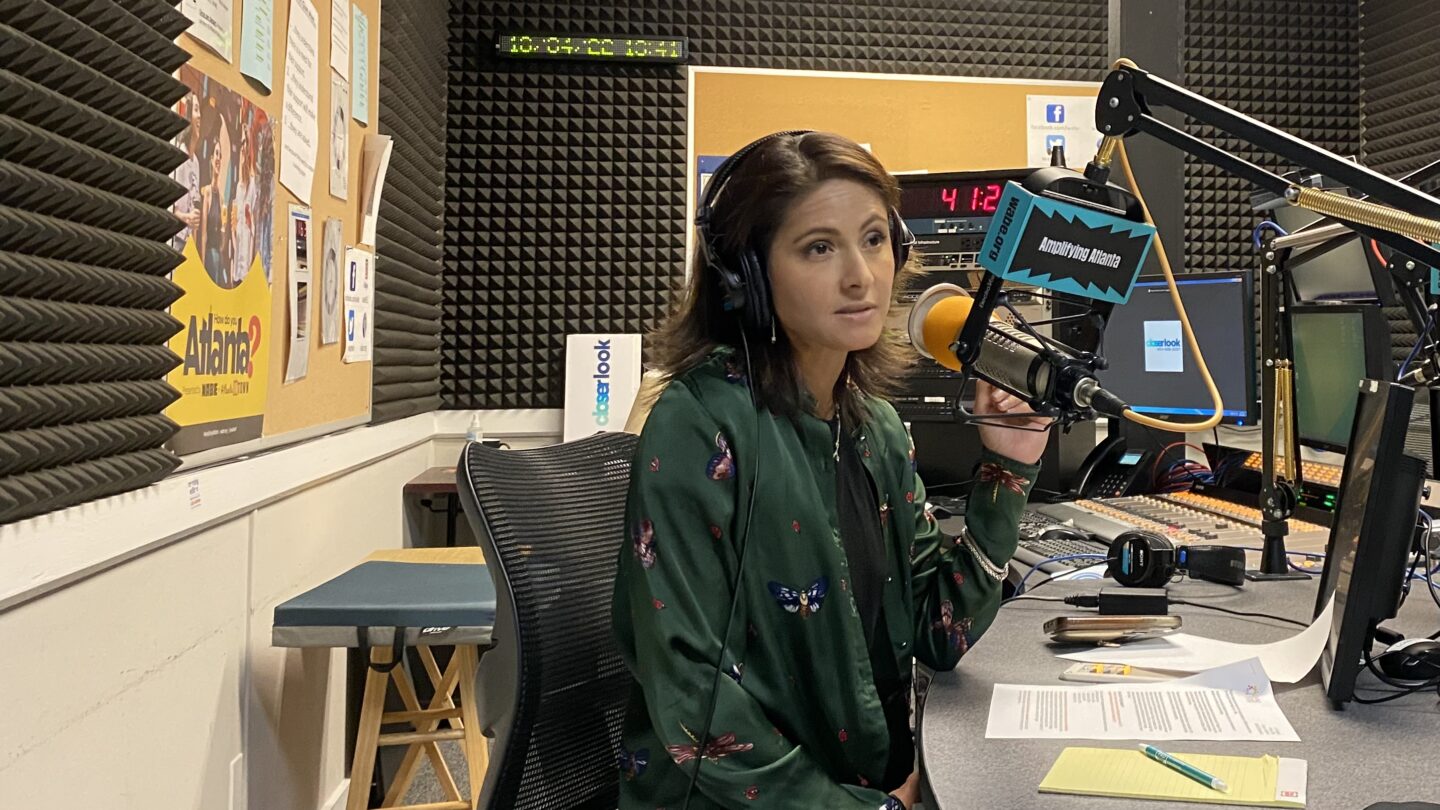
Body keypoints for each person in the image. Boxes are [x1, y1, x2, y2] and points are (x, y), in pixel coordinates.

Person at [611, 131, 1052, 810]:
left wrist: (1008, 468)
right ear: (747, 276)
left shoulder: (875, 428)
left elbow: (941, 633)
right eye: (819, 247)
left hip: (876, 789)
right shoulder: (698, 426)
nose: (860, 276)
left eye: (874, 240)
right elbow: (692, 699)